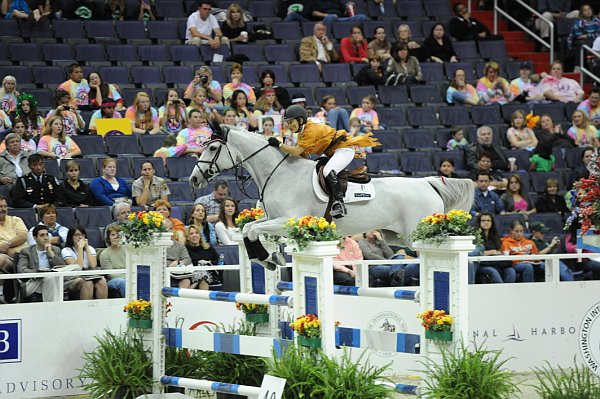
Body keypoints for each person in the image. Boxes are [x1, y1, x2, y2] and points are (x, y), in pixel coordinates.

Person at [268, 105, 379, 218]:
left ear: (300, 120)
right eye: (287, 122)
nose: (289, 125)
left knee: (328, 170)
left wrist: (279, 145)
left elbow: (296, 152)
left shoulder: (311, 130)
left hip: (344, 149)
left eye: (291, 122)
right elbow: (303, 155)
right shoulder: (302, 133)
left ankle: (339, 203)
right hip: (334, 152)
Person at [17, 225, 86, 302]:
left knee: (77, 268)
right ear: (35, 238)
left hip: (55, 279)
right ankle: (53, 309)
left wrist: (52, 255)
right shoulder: (26, 251)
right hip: (34, 282)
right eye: (42, 235)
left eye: (47, 235)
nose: (46, 238)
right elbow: (21, 269)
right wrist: (37, 271)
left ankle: (52, 274)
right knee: (50, 277)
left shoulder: (55, 249)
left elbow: (62, 267)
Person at [61, 225, 107, 299]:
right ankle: (86, 309)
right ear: (71, 237)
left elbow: (93, 265)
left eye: (82, 234)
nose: (80, 237)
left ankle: (102, 308)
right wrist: (80, 248)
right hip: (75, 277)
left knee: (102, 281)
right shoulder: (66, 250)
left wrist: (87, 248)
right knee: (88, 283)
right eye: (77, 235)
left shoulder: (90, 248)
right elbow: (78, 268)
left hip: (90, 274)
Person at [0, 195, 27, 302]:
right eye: (0, 206)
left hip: (21, 256)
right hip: (3, 256)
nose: (3, 209)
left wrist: (8, 244)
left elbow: (23, 236)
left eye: (5, 206)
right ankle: (2, 294)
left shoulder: (16, 220)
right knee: (1, 260)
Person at [474, 212, 508, 283]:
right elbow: (475, 253)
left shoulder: (496, 235)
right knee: (492, 271)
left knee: (511, 271)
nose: (486, 222)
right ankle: (503, 291)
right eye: (483, 220)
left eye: (488, 220)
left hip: (495, 262)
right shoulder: (475, 236)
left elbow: (499, 250)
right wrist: (492, 252)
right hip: (481, 264)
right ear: (479, 222)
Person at [185, 224, 221, 290]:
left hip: (210, 273)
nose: (194, 235)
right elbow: (186, 263)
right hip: (192, 274)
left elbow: (217, 260)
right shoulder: (185, 249)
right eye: (191, 234)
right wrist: (198, 263)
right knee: (202, 276)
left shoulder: (208, 247)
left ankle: (186, 292)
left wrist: (208, 262)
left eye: (196, 233)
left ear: (200, 235)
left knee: (203, 276)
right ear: (187, 237)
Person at [164, 218, 193, 288]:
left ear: (173, 230)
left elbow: (187, 259)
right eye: (164, 228)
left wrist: (178, 263)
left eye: (170, 228)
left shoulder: (179, 245)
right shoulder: (155, 245)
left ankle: (180, 299)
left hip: (176, 273)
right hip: (161, 272)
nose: (168, 231)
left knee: (186, 281)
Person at [98, 224, 126, 298]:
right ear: (108, 238)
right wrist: (127, 277)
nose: (116, 237)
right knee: (123, 282)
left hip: (127, 276)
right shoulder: (104, 254)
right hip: (114, 279)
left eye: (118, 235)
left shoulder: (127, 249)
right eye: (113, 235)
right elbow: (110, 274)